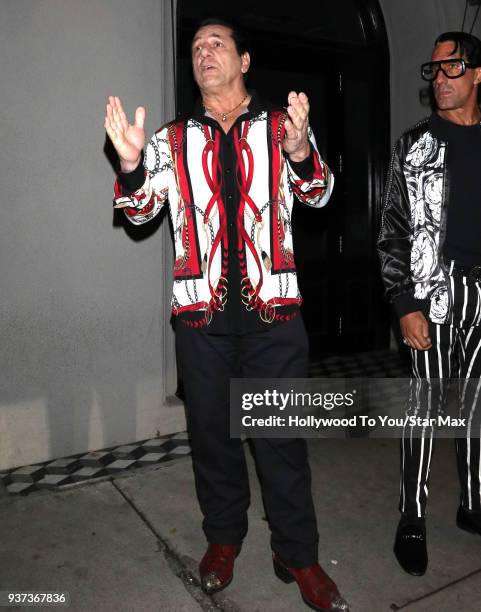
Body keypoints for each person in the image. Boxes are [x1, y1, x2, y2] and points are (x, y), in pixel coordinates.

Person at [104, 16, 349, 612]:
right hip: (200, 322)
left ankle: (297, 551)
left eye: (217, 44)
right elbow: (138, 213)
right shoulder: (168, 138)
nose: (204, 52)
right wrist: (133, 165)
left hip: (276, 320)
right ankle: (223, 540)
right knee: (213, 440)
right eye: (195, 47)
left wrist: (298, 149)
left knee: (281, 442)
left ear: (243, 61)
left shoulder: (278, 125)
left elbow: (320, 193)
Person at [378, 31, 481, 576]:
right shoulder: (414, 145)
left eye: (453, 67)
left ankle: (474, 502)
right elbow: (393, 229)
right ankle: (411, 517)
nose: (440, 77)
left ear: (479, 74)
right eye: (434, 70)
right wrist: (402, 300)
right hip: (433, 293)